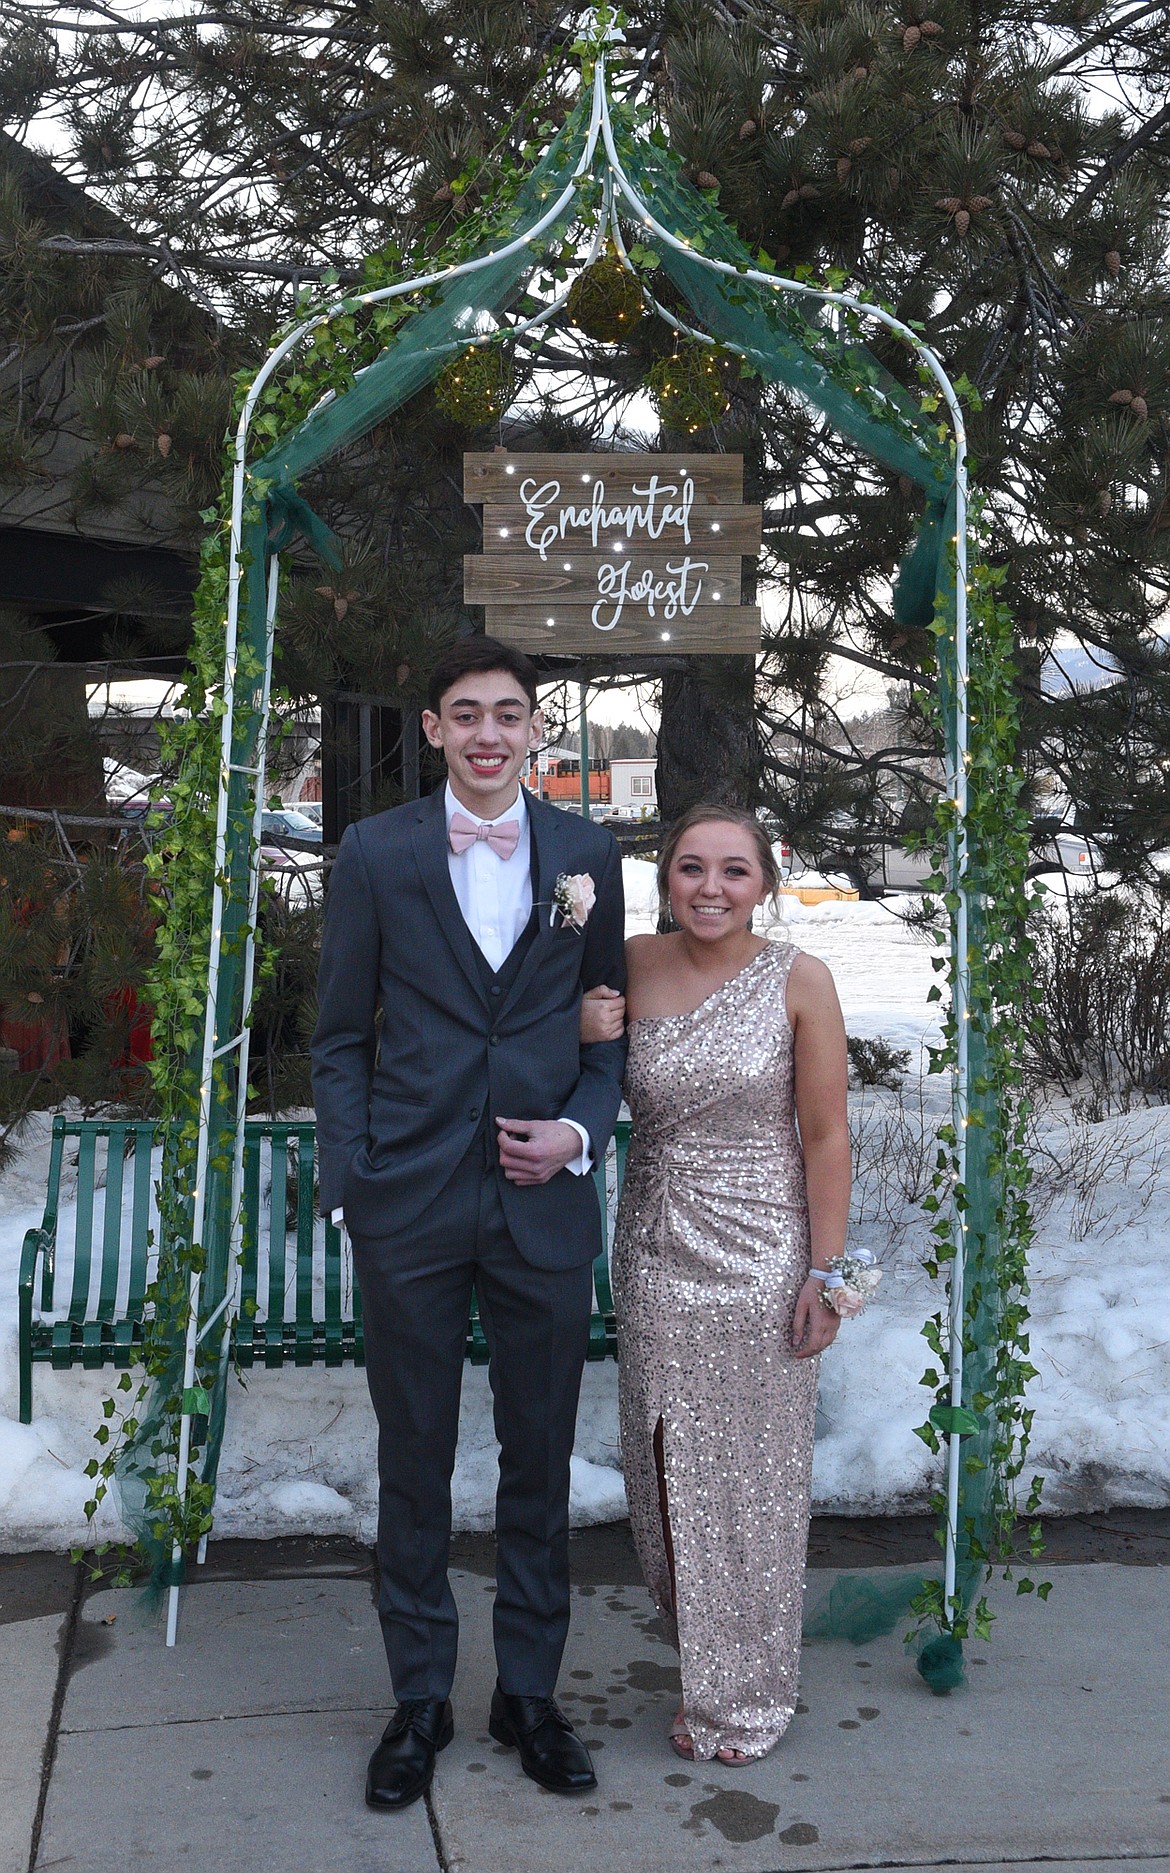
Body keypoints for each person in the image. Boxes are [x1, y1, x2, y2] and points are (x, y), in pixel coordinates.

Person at [311, 636, 627, 1811]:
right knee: (414, 1463)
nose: (489, 732)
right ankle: (420, 1699)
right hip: (413, 1204)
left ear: (534, 728)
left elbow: (611, 1034)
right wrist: (356, 1177)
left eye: (509, 712)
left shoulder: (587, 852)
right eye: (466, 714)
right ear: (434, 728)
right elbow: (341, 1036)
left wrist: (581, 1132)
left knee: (539, 1462)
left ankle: (530, 1694)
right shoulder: (376, 851)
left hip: (542, 1205)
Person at [579, 803, 850, 1765]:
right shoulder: (626, 961)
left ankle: (744, 1692)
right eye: (690, 867)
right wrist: (579, 1027)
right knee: (663, 1480)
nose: (709, 887)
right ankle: (708, 1652)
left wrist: (828, 1274)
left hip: (763, 1255)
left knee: (749, 1483)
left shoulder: (799, 979)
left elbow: (826, 1134)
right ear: (666, 879)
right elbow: (559, 1076)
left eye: (733, 870)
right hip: (654, 1250)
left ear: (765, 883)